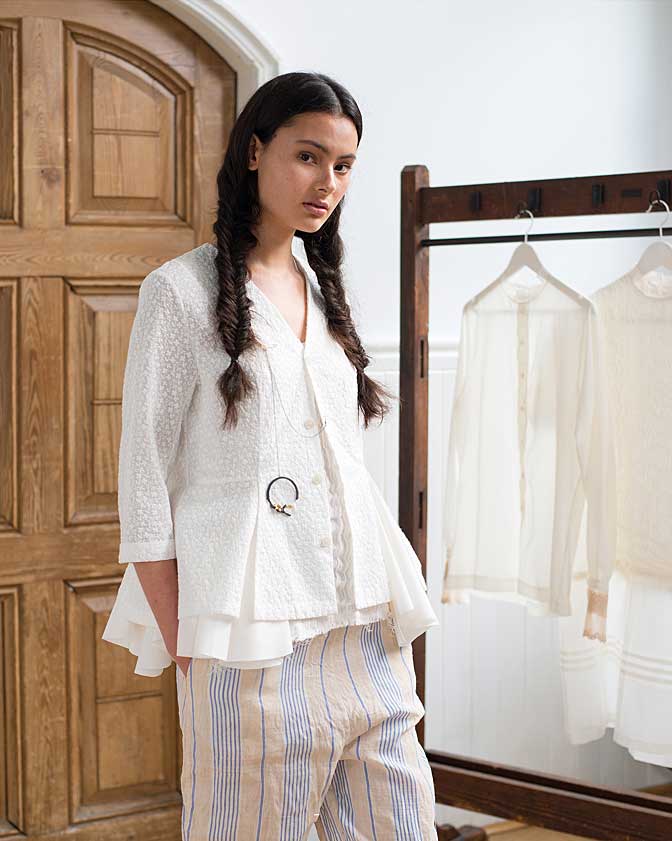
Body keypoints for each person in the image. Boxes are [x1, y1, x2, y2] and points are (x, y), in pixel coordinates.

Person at [102, 70, 440, 840]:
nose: (328, 183)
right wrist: (190, 650)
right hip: (249, 643)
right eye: (308, 156)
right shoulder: (179, 292)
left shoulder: (326, 292)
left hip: (366, 631)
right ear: (255, 151)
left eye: (344, 166)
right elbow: (144, 482)